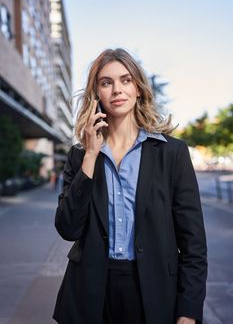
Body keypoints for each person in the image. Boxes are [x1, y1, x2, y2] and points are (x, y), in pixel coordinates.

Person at [53, 48, 208, 324]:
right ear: (96, 94)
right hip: (90, 294)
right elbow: (68, 228)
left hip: (154, 292)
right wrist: (90, 155)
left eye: (126, 80)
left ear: (138, 88)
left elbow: (193, 242)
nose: (117, 90)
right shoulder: (80, 155)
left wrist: (189, 309)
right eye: (106, 82)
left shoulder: (172, 153)